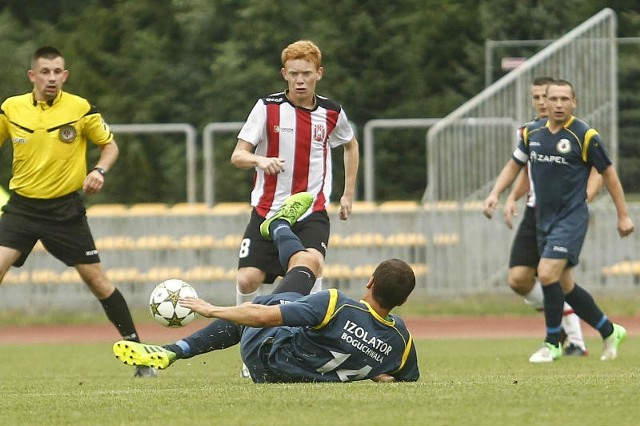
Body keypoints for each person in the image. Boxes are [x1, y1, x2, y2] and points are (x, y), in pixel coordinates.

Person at [113, 193, 418, 383]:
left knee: (296, 276)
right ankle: (279, 224)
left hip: (266, 357)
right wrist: (378, 373)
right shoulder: (401, 341)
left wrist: (210, 309)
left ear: (370, 282)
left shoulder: (336, 304)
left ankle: (277, 225)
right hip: (292, 377)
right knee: (305, 267)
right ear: (403, 300)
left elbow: (260, 317)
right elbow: (405, 377)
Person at [0, 46, 155, 377]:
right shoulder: (11, 108)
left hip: (64, 210)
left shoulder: (80, 108)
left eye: (58, 72)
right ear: (32, 75)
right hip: (22, 209)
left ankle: (141, 356)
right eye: (45, 72)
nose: (52, 78)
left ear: (65, 75)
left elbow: (109, 146)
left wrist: (99, 171)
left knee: (97, 282)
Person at [229, 40, 359, 376]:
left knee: (309, 270)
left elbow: (351, 144)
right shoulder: (267, 108)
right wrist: (261, 159)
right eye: (293, 74)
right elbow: (237, 154)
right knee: (246, 280)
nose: (300, 80)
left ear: (319, 74)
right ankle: (249, 342)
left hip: (311, 213)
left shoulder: (332, 113)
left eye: (306, 74)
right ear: (284, 74)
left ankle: (297, 346)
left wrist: (348, 193)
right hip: (268, 212)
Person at [483, 79, 634, 363]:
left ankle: (553, 343)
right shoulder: (531, 133)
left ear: (574, 102)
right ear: (544, 102)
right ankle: (608, 330)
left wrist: (623, 215)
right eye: (553, 99)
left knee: (547, 273)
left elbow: (608, 174)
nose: (558, 104)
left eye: (565, 99)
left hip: (571, 218)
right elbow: (515, 165)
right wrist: (495, 193)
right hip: (542, 218)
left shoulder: (585, 135)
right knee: (565, 286)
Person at [499, 77, 599, 356]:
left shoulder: (578, 133)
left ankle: (571, 339)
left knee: (552, 277)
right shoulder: (530, 132)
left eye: (547, 96)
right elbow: (527, 172)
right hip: (534, 212)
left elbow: (598, 172)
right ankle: (569, 327)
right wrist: (510, 197)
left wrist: (581, 199)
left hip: (563, 213)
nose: (544, 102)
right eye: (537, 97)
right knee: (519, 279)